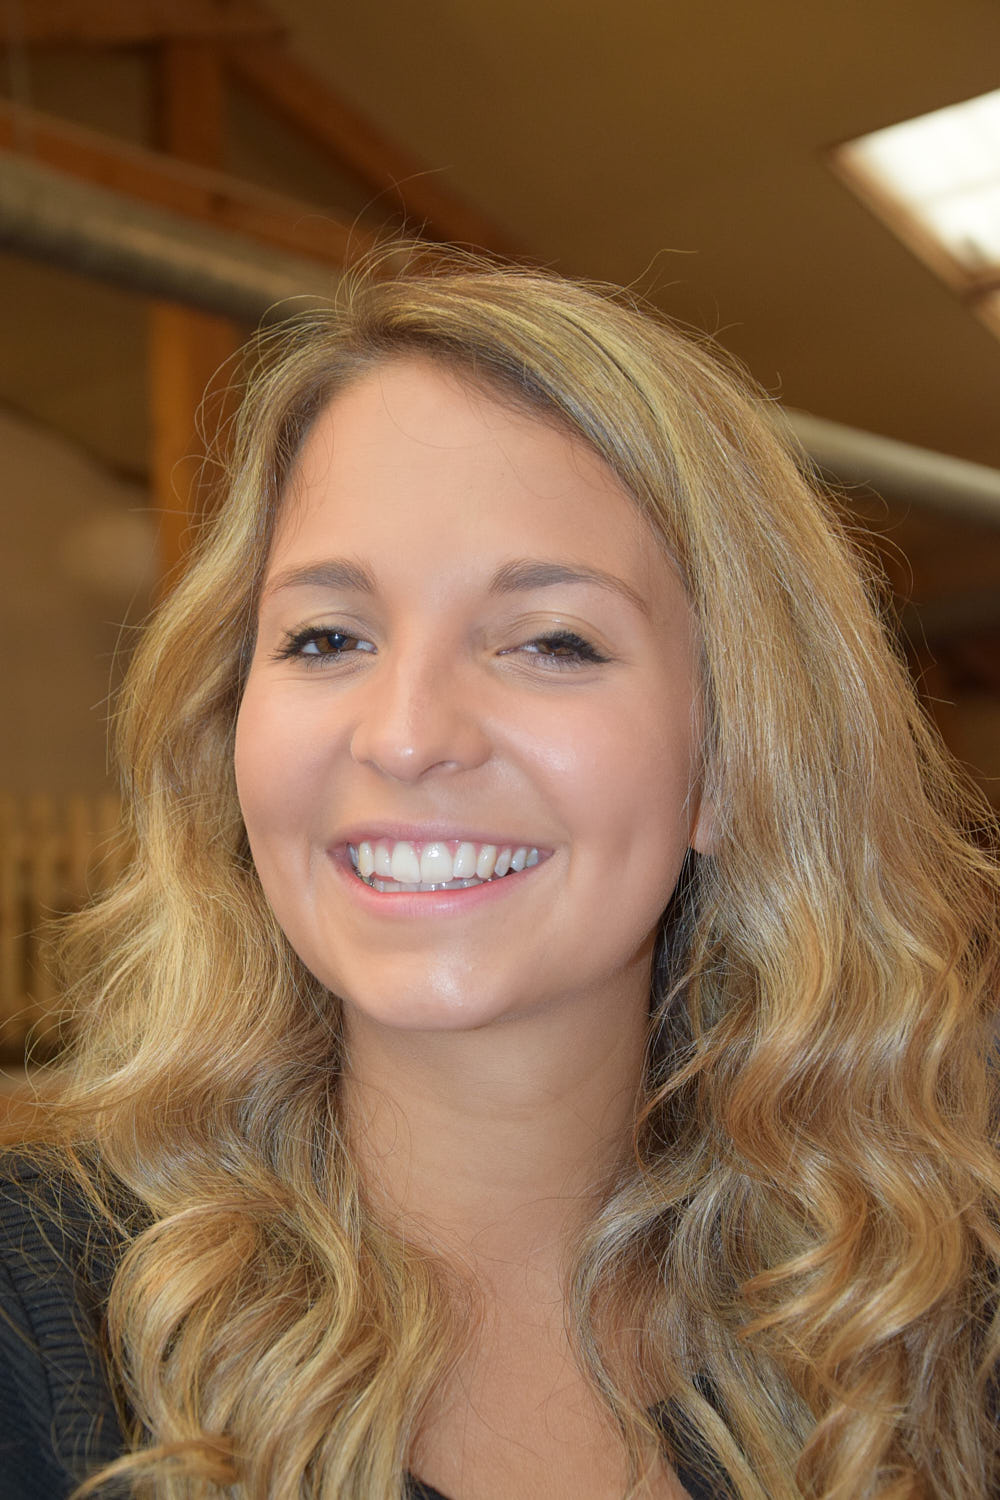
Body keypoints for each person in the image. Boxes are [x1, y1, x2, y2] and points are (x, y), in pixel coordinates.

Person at [1, 246, 998, 1500]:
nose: (406, 734)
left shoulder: (927, 1318)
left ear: (730, 762)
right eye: (327, 636)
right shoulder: (42, 1315)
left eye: (551, 642)